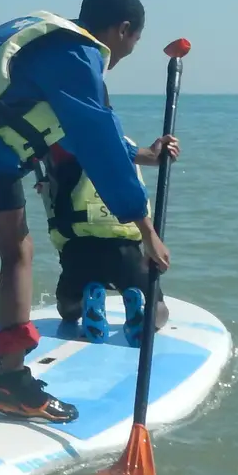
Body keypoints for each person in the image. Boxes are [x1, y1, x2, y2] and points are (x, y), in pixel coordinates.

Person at [0, 0, 175, 423]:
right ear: (123, 30)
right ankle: (12, 383)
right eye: (132, 43)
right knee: (18, 250)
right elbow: (96, 139)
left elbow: (74, 129)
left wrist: (142, 156)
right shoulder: (77, 55)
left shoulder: (46, 35)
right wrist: (147, 232)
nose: (123, 57)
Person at [44, 131, 178, 340]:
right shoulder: (121, 143)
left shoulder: (54, 144)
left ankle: (89, 299)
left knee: (68, 310)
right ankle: (142, 313)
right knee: (159, 310)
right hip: (123, 250)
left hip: (77, 252)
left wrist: (46, 183)